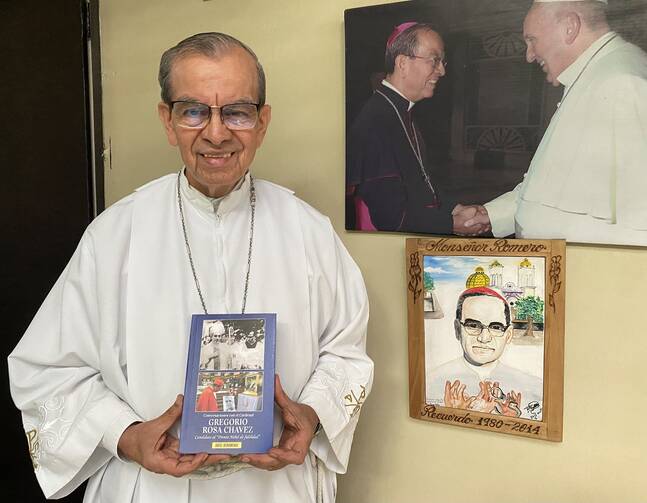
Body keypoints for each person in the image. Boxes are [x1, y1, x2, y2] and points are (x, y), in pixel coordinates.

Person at [8, 32, 373, 503]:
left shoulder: (310, 232)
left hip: (275, 485)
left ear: (262, 122)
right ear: (167, 119)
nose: (216, 133)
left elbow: (347, 353)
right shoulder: (114, 235)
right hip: (150, 487)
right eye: (193, 110)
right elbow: (47, 370)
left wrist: (314, 413)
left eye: (237, 112)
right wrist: (125, 434)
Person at [456, 0, 647, 246]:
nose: (529, 55)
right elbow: (561, 184)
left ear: (570, 27)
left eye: (532, 40)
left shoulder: (622, 83)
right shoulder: (595, 75)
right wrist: (492, 215)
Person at [347, 22, 489, 235]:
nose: (441, 70)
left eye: (442, 61)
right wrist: (451, 224)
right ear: (403, 63)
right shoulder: (376, 122)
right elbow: (390, 218)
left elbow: (419, 179)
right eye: (434, 60)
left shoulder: (400, 111)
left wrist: (454, 208)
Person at [427, 287, 542, 419]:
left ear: (508, 335)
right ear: (458, 330)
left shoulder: (534, 387)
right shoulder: (431, 380)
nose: (484, 338)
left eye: (496, 327)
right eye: (473, 325)